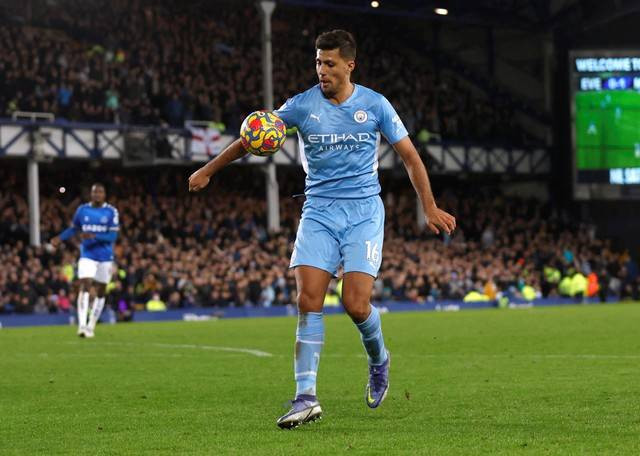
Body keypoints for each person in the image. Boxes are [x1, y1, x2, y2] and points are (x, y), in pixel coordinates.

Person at [188, 30, 456, 429]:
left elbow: (411, 159)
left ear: (350, 65)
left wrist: (429, 206)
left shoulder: (375, 104)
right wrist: (209, 170)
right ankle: (305, 397)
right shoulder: (301, 105)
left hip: (363, 212)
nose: (322, 71)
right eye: (317, 62)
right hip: (318, 212)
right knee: (308, 299)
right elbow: (251, 137)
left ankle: (379, 359)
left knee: (355, 305)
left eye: (329, 64)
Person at [50, 183, 119, 338]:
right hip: (87, 254)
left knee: (101, 291)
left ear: (104, 194)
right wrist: (60, 238)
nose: (97, 195)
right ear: (91, 194)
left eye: (100, 192)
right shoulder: (82, 210)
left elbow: (113, 236)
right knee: (85, 283)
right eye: (95, 192)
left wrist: (95, 236)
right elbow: (74, 228)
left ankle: (91, 325)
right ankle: (81, 325)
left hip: (105, 257)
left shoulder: (111, 212)